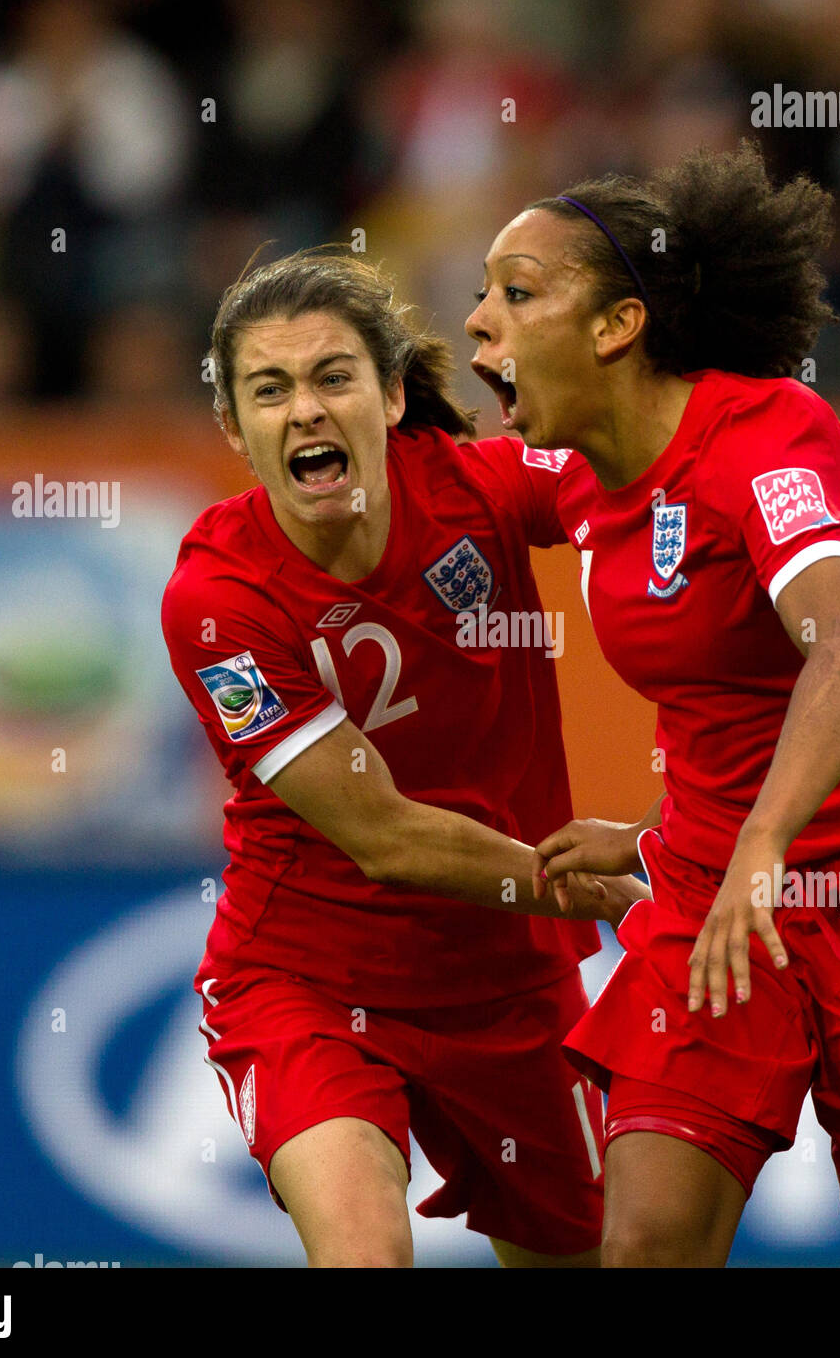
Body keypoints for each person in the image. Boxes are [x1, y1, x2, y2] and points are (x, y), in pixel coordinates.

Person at [464, 141, 840, 1268]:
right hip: (714, 906)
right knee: (644, 1245)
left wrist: (766, 846)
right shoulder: (579, 476)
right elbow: (415, 480)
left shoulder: (769, 440)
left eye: (516, 292)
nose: (479, 321)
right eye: (482, 293)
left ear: (619, 325)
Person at [161, 246, 647, 1267]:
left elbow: (643, 472)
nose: (304, 410)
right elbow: (383, 837)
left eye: (333, 377)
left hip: (509, 980)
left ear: (388, 396)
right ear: (235, 429)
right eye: (270, 389)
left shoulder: (481, 490)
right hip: (308, 983)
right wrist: (633, 894)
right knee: (364, 1254)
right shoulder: (217, 601)